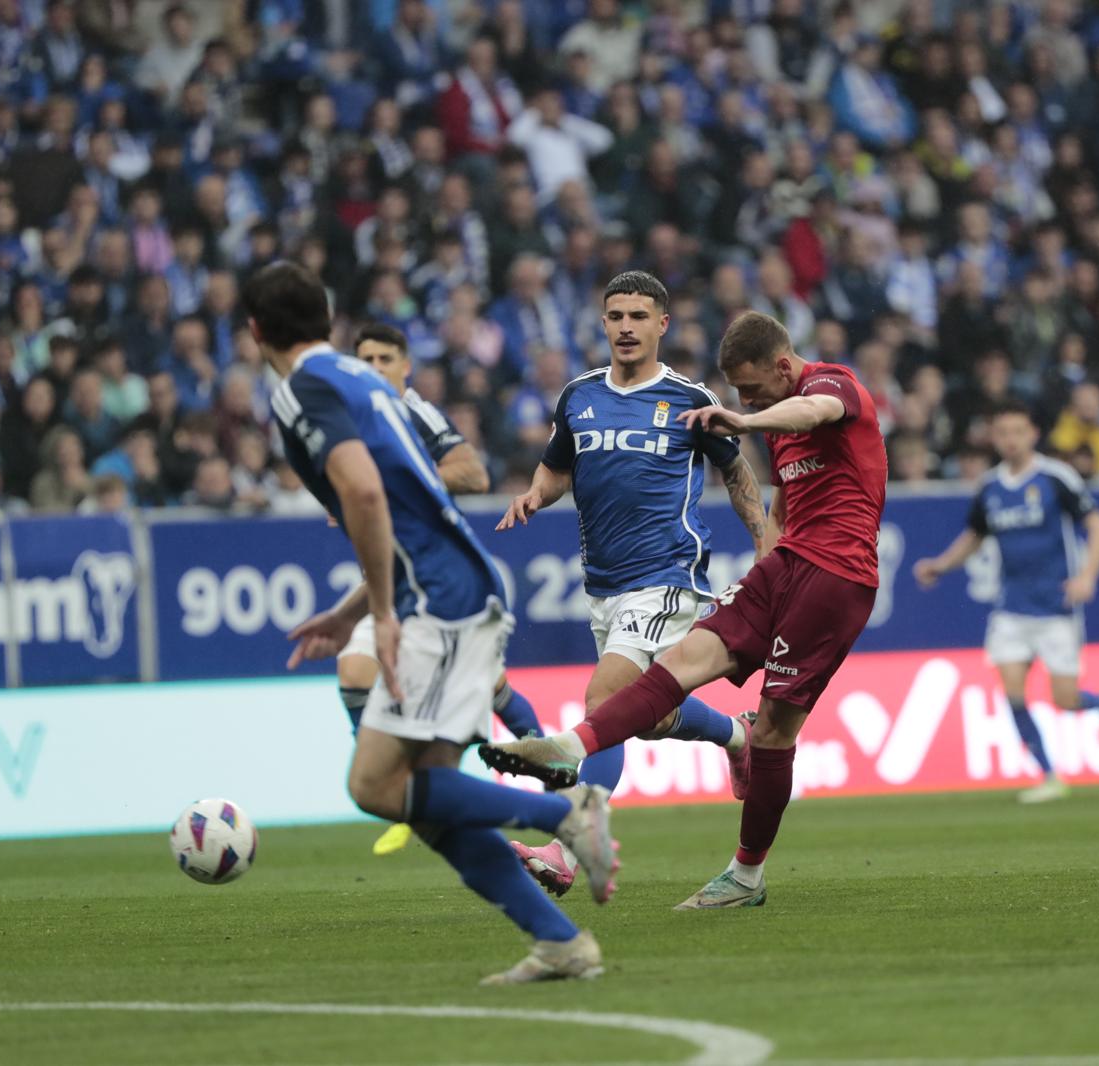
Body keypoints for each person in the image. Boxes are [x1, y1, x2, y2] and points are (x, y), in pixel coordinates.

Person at [243, 262, 614, 984]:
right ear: (327, 320)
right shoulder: (366, 382)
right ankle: (561, 944)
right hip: (451, 588)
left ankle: (567, 810)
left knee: (374, 787)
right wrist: (351, 610)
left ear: (256, 332)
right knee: (433, 808)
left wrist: (381, 614)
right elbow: (410, 499)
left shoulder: (300, 392)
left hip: (438, 603)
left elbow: (364, 495)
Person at [482, 310, 884, 910]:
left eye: (751, 388)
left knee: (775, 727)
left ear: (782, 365)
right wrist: (766, 555)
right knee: (686, 657)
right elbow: (782, 497)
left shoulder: (830, 384)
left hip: (836, 576)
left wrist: (745, 417)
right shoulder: (589, 397)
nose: (744, 399)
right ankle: (606, 743)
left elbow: (812, 412)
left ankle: (745, 875)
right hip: (786, 565)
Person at [493, 271, 768, 897]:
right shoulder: (579, 397)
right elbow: (557, 467)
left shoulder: (688, 399)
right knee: (647, 716)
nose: (624, 327)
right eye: (615, 315)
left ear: (661, 325)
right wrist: (537, 493)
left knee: (604, 702)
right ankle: (737, 734)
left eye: (638, 317)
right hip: (605, 585)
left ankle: (568, 849)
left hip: (667, 576)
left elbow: (737, 471)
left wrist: (764, 543)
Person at [339, 321, 545, 859]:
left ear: (406, 367)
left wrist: (402, 479)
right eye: (366, 359)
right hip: (393, 584)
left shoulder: (412, 411)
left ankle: (551, 770)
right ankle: (403, 784)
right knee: (354, 669)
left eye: (386, 358)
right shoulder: (354, 421)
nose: (376, 369)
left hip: (437, 586)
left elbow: (473, 473)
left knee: (490, 686)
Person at [913, 400, 1099, 804]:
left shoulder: (1055, 477)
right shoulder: (990, 486)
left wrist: (1087, 576)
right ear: (994, 437)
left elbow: (1098, 525)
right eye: (1003, 432)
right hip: (1011, 608)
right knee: (1013, 692)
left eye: (1018, 431)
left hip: (1055, 607)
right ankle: (1049, 775)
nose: (1010, 440)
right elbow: (975, 535)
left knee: (1064, 699)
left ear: (1033, 434)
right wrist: (941, 565)